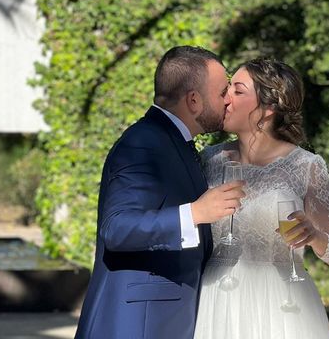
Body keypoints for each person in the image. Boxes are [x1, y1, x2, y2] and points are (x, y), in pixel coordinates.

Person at [75, 46, 245, 339]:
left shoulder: (176, 142)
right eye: (221, 93)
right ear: (194, 100)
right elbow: (116, 229)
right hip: (139, 324)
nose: (227, 100)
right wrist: (195, 213)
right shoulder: (143, 143)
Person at [193, 58, 329, 339]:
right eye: (228, 88)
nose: (226, 98)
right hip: (217, 299)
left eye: (238, 91)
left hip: (283, 305)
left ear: (267, 109)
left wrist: (315, 235)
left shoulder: (306, 166)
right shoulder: (209, 160)